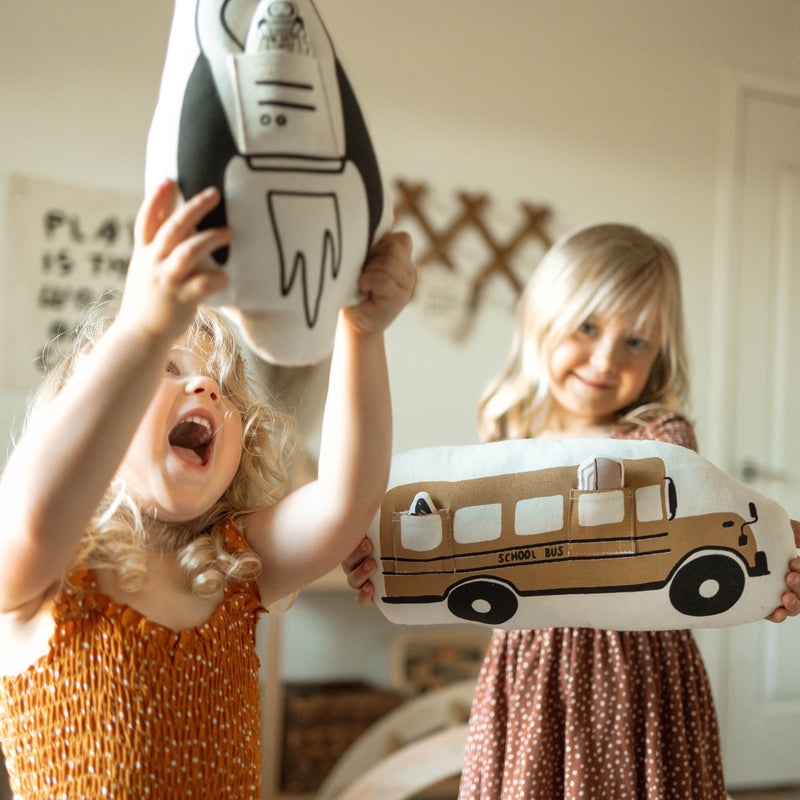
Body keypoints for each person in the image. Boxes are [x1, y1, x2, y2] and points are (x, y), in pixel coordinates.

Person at [342, 223, 800, 799]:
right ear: (542, 320)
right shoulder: (509, 440)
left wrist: (770, 574)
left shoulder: (660, 438)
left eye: (637, 342)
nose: (606, 359)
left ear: (660, 355)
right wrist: (378, 560)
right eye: (587, 327)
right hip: (530, 669)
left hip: (635, 674)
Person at [0, 178, 415, 798]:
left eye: (222, 387)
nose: (208, 389)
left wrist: (361, 330)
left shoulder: (233, 565)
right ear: (90, 412)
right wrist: (143, 328)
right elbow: (34, 512)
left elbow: (343, 503)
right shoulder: (46, 572)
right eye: (167, 368)